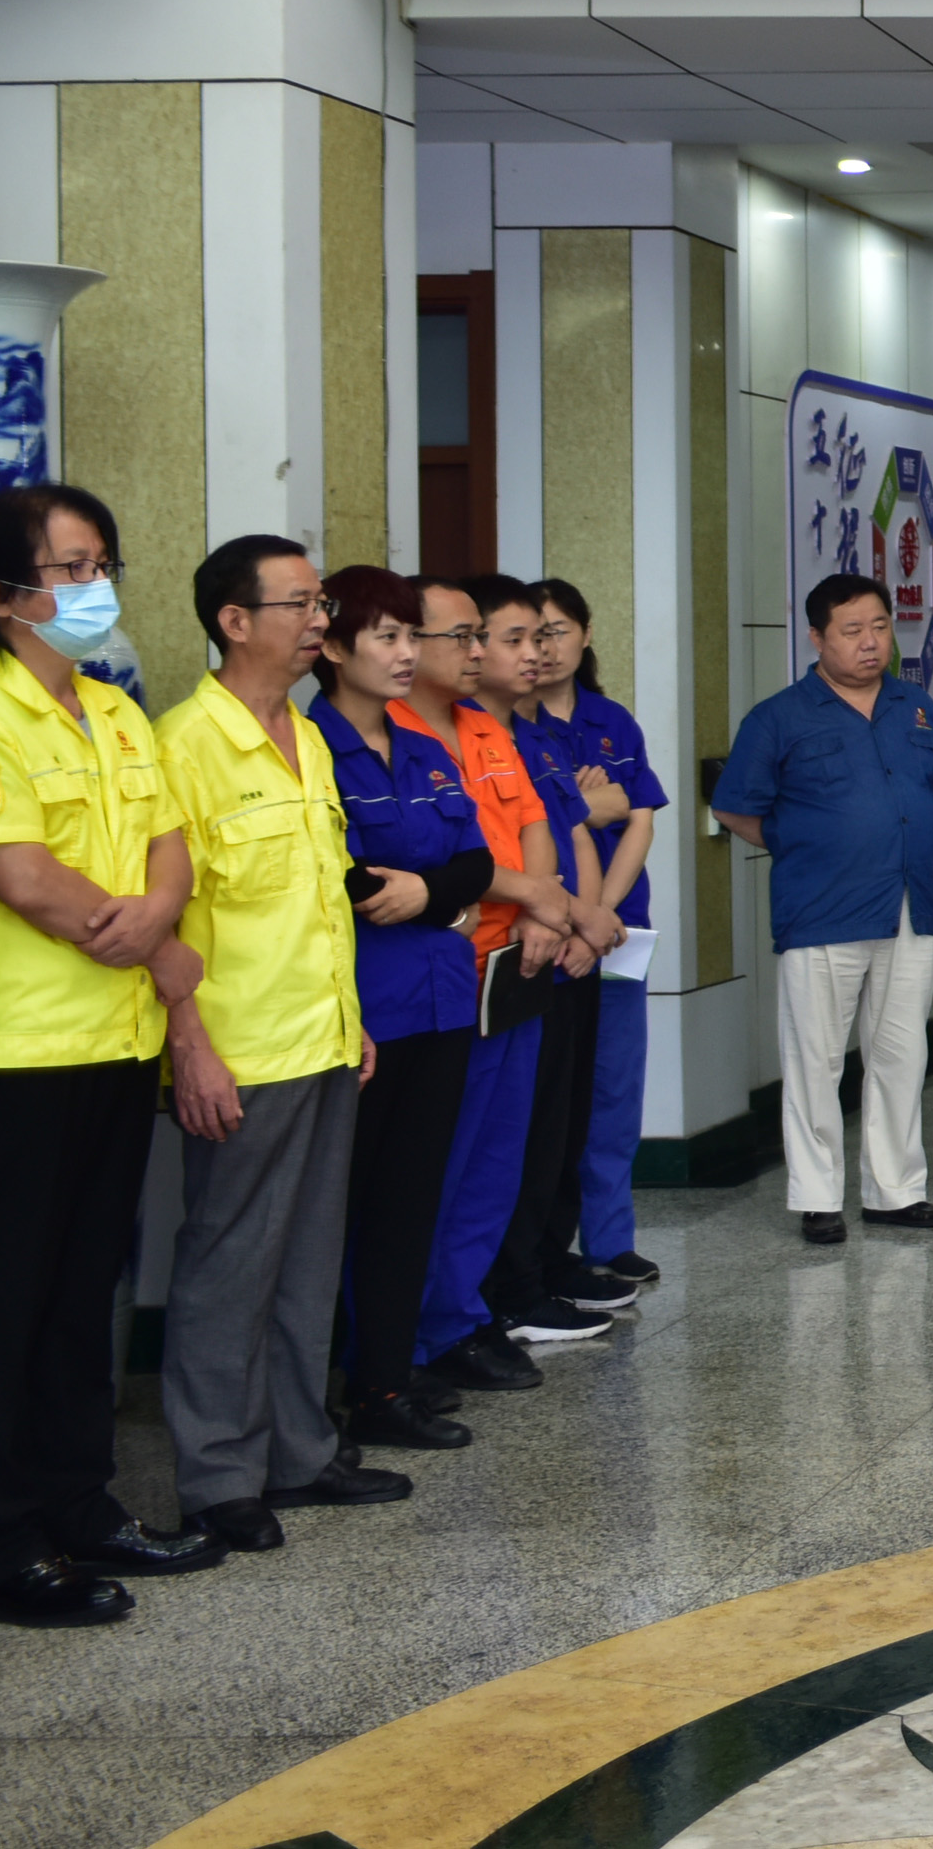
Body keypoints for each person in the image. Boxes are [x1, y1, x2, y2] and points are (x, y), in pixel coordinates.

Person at [0, 482, 221, 1626]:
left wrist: (158, 920)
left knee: (84, 1294)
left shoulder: (116, 710)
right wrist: (151, 942)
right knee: (3, 1303)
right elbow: (22, 875)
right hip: (15, 1053)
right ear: (1, 593)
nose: (95, 587)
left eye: (102, 564)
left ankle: (80, 1505)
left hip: (115, 1043)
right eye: (71, 569)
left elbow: (171, 847)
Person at [157, 536, 407, 1550]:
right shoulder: (184, 745)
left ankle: (301, 1452)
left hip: (322, 1038)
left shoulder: (304, 735)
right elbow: (169, 918)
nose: (319, 622)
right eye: (300, 604)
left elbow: (318, 899)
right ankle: (219, 1476)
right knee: (230, 1264)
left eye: (321, 604)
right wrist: (191, 1047)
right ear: (234, 621)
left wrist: (351, 1020)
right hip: (241, 1049)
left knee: (306, 1261)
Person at [711, 573, 933, 1245]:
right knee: (816, 1060)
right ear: (816, 637)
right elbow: (736, 809)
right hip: (821, 908)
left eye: (880, 626)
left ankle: (895, 1192)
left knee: (900, 1053)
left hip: (909, 905)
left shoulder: (914, 705)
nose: (871, 641)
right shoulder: (778, 717)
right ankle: (818, 1198)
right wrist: (810, 844)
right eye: (852, 631)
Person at [310, 567, 497, 1454]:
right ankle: (316, 1395)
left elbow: (474, 862)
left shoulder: (420, 747)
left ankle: (385, 1383)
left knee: (408, 1202)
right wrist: (437, 893)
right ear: (333, 646)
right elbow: (343, 880)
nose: (405, 653)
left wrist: (427, 893)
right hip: (365, 1011)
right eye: (385, 636)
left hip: (440, 1000)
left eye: (410, 636)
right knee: (337, 1211)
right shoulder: (312, 745)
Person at [403, 577, 597, 1395]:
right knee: (442, 1166)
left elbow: (532, 826)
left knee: (497, 1159)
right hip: (454, 970)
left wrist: (543, 910)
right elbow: (460, 859)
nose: (480, 651)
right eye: (468, 637)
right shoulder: (401, 732)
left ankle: (463, 1315)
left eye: (485, 637)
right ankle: (420, 1332)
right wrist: (539, 902)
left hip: (517, 964)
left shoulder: (485, 728)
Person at [463, 579, 627, 1350]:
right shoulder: (462, 738)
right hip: (515, 957)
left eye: (543, 638)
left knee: (562, 1124)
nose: (536, 653)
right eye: (517, 639)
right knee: (515, 1138)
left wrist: (586, 921)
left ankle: (545, 1262)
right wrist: (561, 914)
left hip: (568, 948)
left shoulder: (535, 735)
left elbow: (576, 831)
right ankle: (510, 1284)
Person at [519, 580, 665, 1290]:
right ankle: (546, 1249)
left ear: (586, 634)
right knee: (550, 1099)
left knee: (613, 1089)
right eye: (532, 634)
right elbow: (570, 818)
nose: (546, 647)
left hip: (617, 931)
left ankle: (610, 1238)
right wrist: (590, 802)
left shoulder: (612, 721)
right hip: (552, 932)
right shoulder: (511, 724)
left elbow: (639, 817)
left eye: (558, 630)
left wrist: (600, 915)